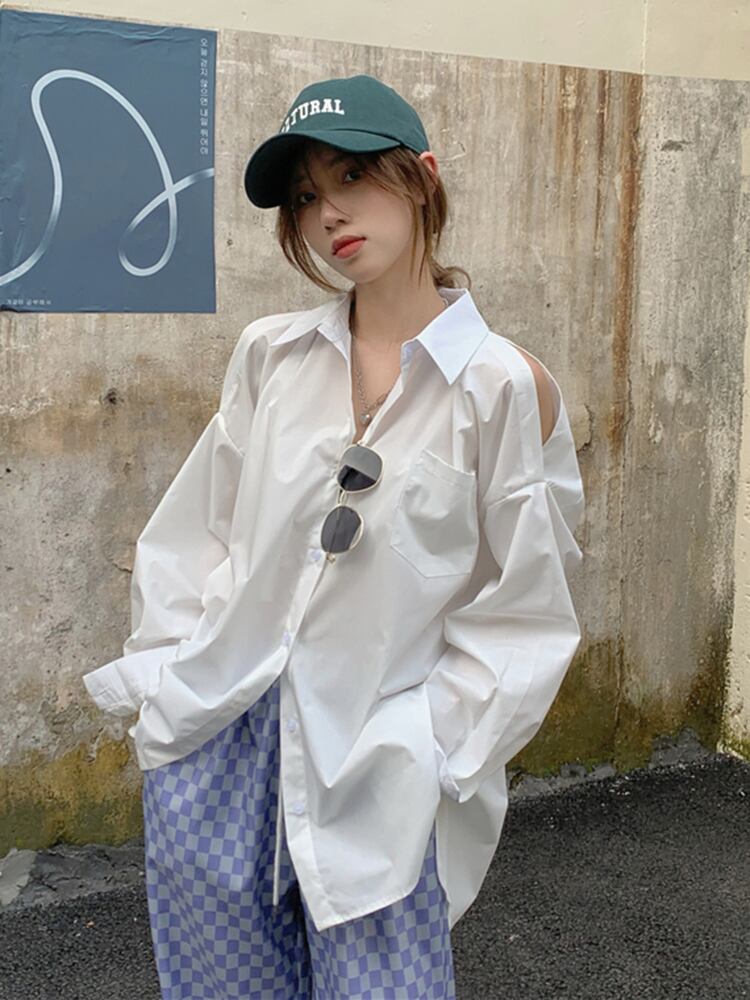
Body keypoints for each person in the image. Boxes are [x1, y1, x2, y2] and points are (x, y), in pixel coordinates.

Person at [83, 73, 585, 999]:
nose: (328, 214)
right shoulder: (272, 355)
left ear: (422, 176)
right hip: (224, 735)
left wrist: (426, 747)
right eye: (306, 195)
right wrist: (166, 679)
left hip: (374, 757)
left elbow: (525, 605)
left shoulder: (502, 387)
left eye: (352, 175)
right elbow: (198, 531)